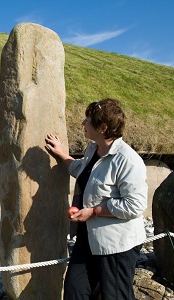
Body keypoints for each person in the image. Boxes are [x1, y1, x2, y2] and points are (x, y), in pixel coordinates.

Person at [45, 98, 148, 300]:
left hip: (117, 245)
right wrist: (59, 154)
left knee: (115, 296)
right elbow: (80, 170)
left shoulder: (127, 160)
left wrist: (93, 211)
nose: (83, 124)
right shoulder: (93, 149)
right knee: (75, 291)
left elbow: (135, 205)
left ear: (102, 127)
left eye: (87, 120)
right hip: (88, 238)